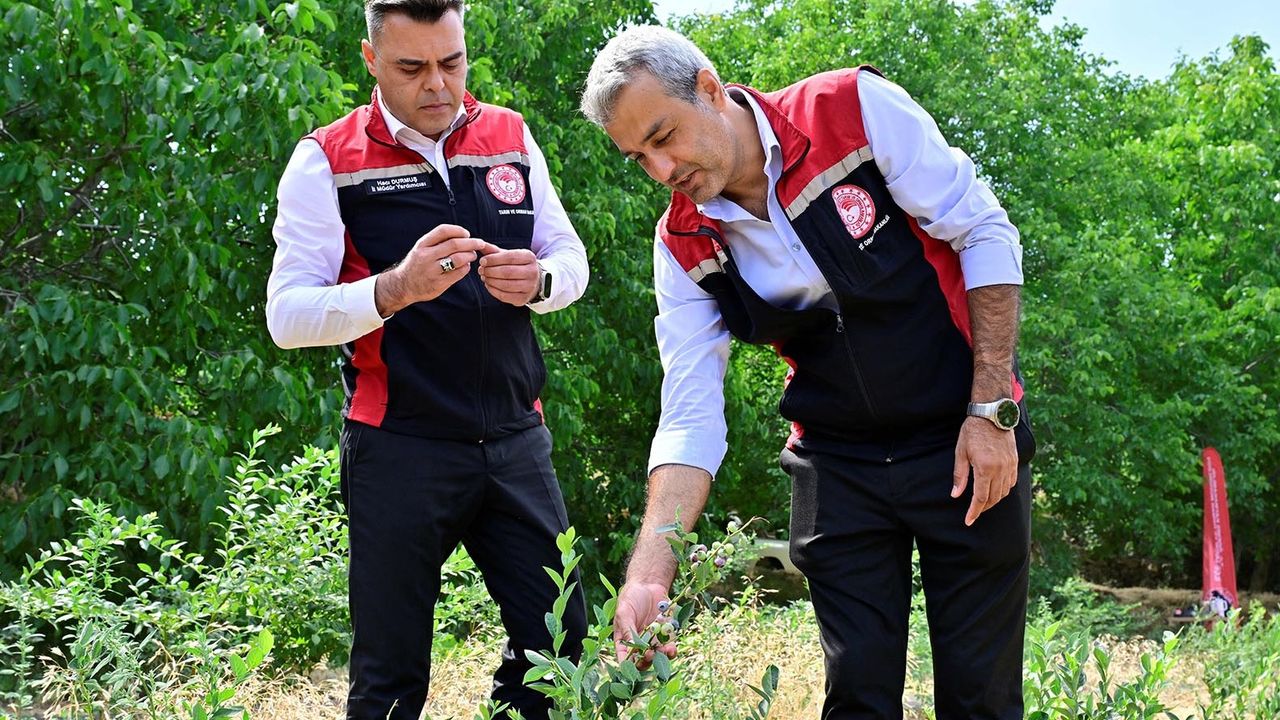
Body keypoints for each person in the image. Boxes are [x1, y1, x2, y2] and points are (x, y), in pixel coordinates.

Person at [581, 26, 1035, 720]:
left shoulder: (851, 110)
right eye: (638, 157)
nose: (661, 169)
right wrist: (650, 573)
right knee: (856, 698)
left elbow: (984, 230)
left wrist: (991, 410)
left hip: (963, 435)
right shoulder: (682, 243)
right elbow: (691, 411)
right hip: (837, 461)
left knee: (981, 698)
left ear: (708, 88)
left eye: (664, 136)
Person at [265, 2, 588, 718]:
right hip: (399, 443)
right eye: (412, 67)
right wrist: (395, 289)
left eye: (452, 62)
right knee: (391, 678)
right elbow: (286, 317)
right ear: (371, 59)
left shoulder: (509, 134)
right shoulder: (326, 158)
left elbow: (571, 258)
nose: (438, 85)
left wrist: (540, 282)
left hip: (515, 435)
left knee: (565, 652)